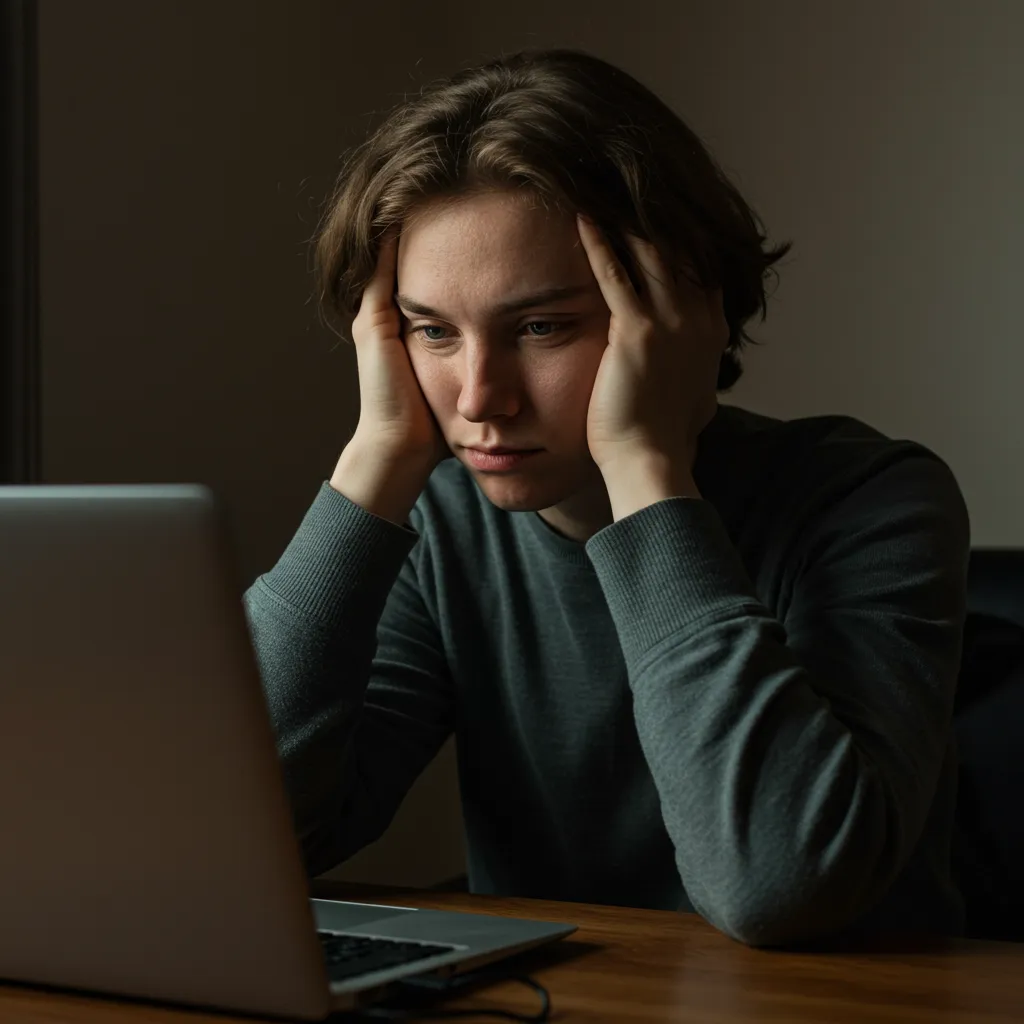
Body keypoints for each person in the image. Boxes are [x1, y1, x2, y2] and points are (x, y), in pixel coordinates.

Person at [243, 48, 970, 947]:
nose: (479, 398)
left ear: (682, 309)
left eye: (541, 326)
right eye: (432, 331)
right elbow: (230, 838)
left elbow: (780, 884)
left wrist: (642, 469)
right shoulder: (441, 527)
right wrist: (375, 463)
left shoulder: (873, 502)